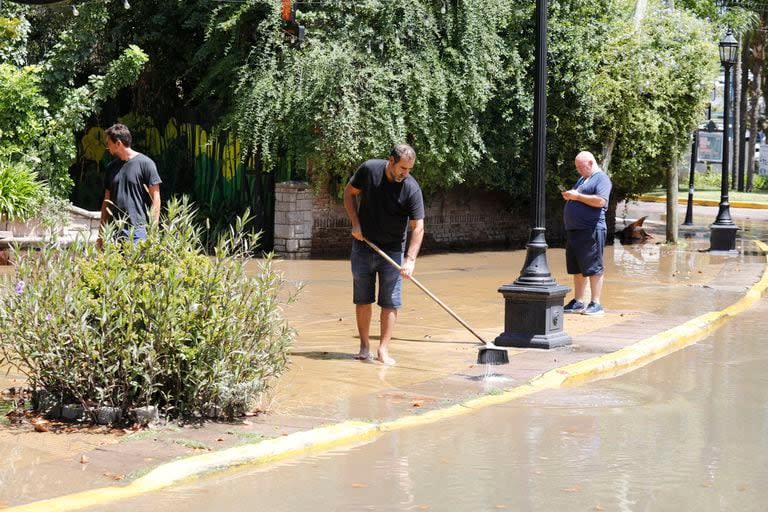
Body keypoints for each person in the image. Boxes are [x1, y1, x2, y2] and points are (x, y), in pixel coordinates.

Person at [343, 144, 425, 365]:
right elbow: (349, 194)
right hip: (363, 245)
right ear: (391, 161)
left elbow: (418, 227)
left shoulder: (411, 188)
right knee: (363, 299)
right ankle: (364, 347)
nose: (405, 173)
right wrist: (355, 224)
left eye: (409, 169)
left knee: (390, 302)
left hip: (393, 251)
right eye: (402, 168)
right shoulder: (369, 170)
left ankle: (383, 350)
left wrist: (410, 260)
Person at [561, 151, 612, 316]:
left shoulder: (601, 178)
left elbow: (600, 201)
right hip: (575, 230)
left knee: (593, 266)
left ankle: (596, 303)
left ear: (590, 163)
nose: (578, 170)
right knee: (577, 267)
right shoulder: (583, 179)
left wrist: (577, 196)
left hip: (591, 229)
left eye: (580, 167)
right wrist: (571, 196)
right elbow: (580, 197)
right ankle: (578, 301)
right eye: (577, 167)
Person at [99, 124, 162, 245]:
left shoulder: (146, 164)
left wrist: (153, 230)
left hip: (138, 231)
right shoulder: (111, 168)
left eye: (108, 144)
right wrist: (101, 234)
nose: (107, 147)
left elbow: (156, 198)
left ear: (118, 143)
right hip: (114, 230)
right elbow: (106, 202)